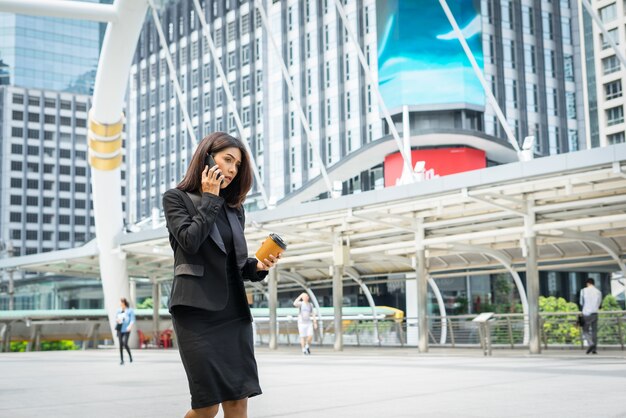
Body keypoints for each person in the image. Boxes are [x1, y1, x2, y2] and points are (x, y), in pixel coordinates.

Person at [163, 132, 279, 418]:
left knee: (239, 401)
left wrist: (258, 266)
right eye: (227, 160)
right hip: (195, 313)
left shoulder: (234, 211)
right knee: (206, 406)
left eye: (237, 165)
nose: (231, 169)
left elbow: (235, 265)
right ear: (206, 157)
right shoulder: (176, 199)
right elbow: (190, 242)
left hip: (234, 314)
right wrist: (210, 199)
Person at [580, 278, 602, 354]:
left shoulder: (583, 290)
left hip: (586, 313)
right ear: (593, 283)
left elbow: (581, 303)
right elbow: (599, 304)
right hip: (595, 313)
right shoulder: (598, 292)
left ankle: (591, 343)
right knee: (594, 331)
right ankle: (594, 349)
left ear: (587, 283)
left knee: (585, 330)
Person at [116, 297, 135, 365]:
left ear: (124, 303)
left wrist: (130, 326)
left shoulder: (130, 310)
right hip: (120, 329)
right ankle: (122, 360)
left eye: (121, 302)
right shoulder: (118, 310)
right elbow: (117, 318)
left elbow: (132, 320)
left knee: (125, 343)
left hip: (127, 329)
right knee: (120, 344)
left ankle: (130, 357)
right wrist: (118, 320)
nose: (120, 304)